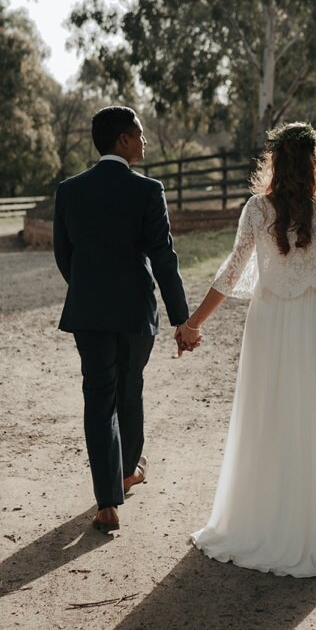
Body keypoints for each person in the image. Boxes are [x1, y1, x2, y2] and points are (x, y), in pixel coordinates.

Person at [179, 122, 316, 576]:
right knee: (315, 415)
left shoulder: (256, 210)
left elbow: (228, 274)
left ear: (273, 163)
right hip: (315, 324)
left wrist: (193, 325)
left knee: (269, 416)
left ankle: (260, 519)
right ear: (315, 163)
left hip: (269, 326)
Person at [52, 106, 199, 534]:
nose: (144, 140)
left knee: (99, 399)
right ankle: (128, 470)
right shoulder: (148, 191)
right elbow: (164, 258)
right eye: (138, 133)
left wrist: (89, 289)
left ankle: (106, 503)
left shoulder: (70, 190)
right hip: (136, 312)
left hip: (89, 312)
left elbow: (65, 256)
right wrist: (181, 319)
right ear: (122, 140)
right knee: (130, 388)